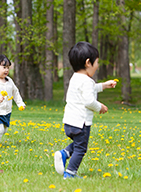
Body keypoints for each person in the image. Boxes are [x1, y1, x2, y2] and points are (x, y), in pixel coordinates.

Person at [54, 42, 117, 179]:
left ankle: (64, 154)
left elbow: (90, 89)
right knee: (81, 148)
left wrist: (104, 86)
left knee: (78, 144)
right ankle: (70, 173)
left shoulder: (75, 78)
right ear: (88, 63)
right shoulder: (87, 81)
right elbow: (88, 100)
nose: (97, 66)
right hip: (81, 123)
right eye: (97, 63)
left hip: (69, 121)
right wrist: (100, 107)